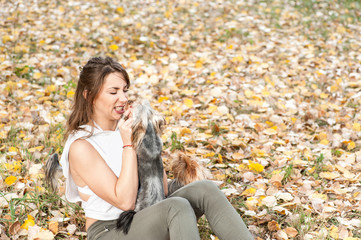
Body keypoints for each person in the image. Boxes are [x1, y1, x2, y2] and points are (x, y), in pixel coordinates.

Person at [60, 56, 254, 240]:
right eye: (113, 92)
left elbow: (162, 190)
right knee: (176, 207)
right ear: (89, 96)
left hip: (145, 215)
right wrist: (128, 144)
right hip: (110, 230)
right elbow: (125, 201)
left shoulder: (126, 126)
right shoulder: (81, 146)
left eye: (125, 90)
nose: (123, 98)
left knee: (205, 189)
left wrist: (146, 135)